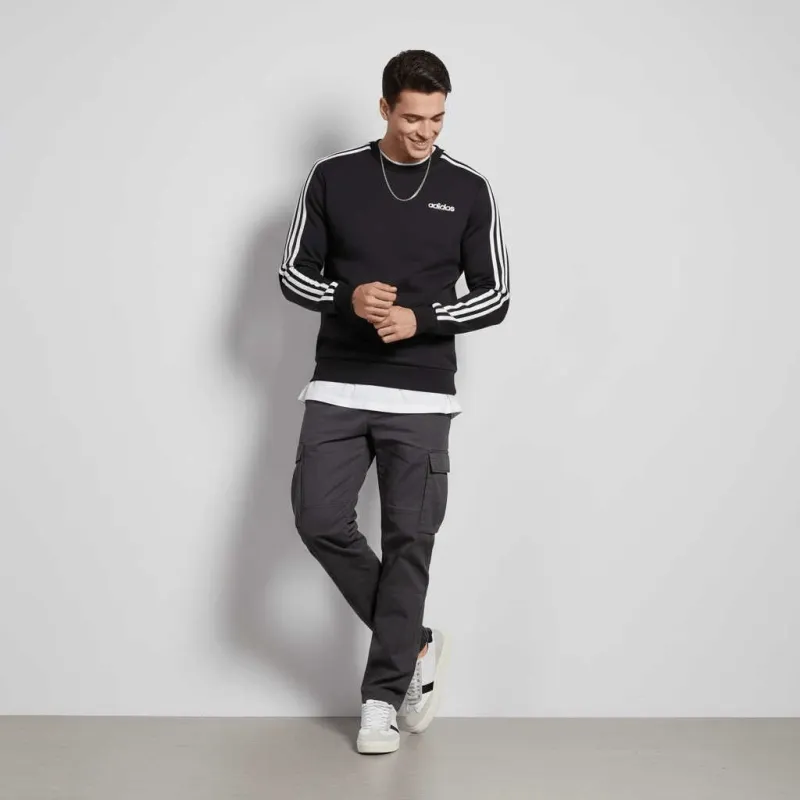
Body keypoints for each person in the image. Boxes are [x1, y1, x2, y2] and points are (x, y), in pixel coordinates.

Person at [279, 49, 510, 754]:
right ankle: (414, 644)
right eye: (412, 118)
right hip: (339, 385)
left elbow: (496, 294)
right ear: (384, 108)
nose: (426, 132)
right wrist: (347, 298)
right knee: (319, 518)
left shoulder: (468, 188)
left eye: (437, 119)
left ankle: (380, 700)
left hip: (423, 394)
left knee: (411, 542)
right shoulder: (333, 177)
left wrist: (423, 317)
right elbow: (292, 274)